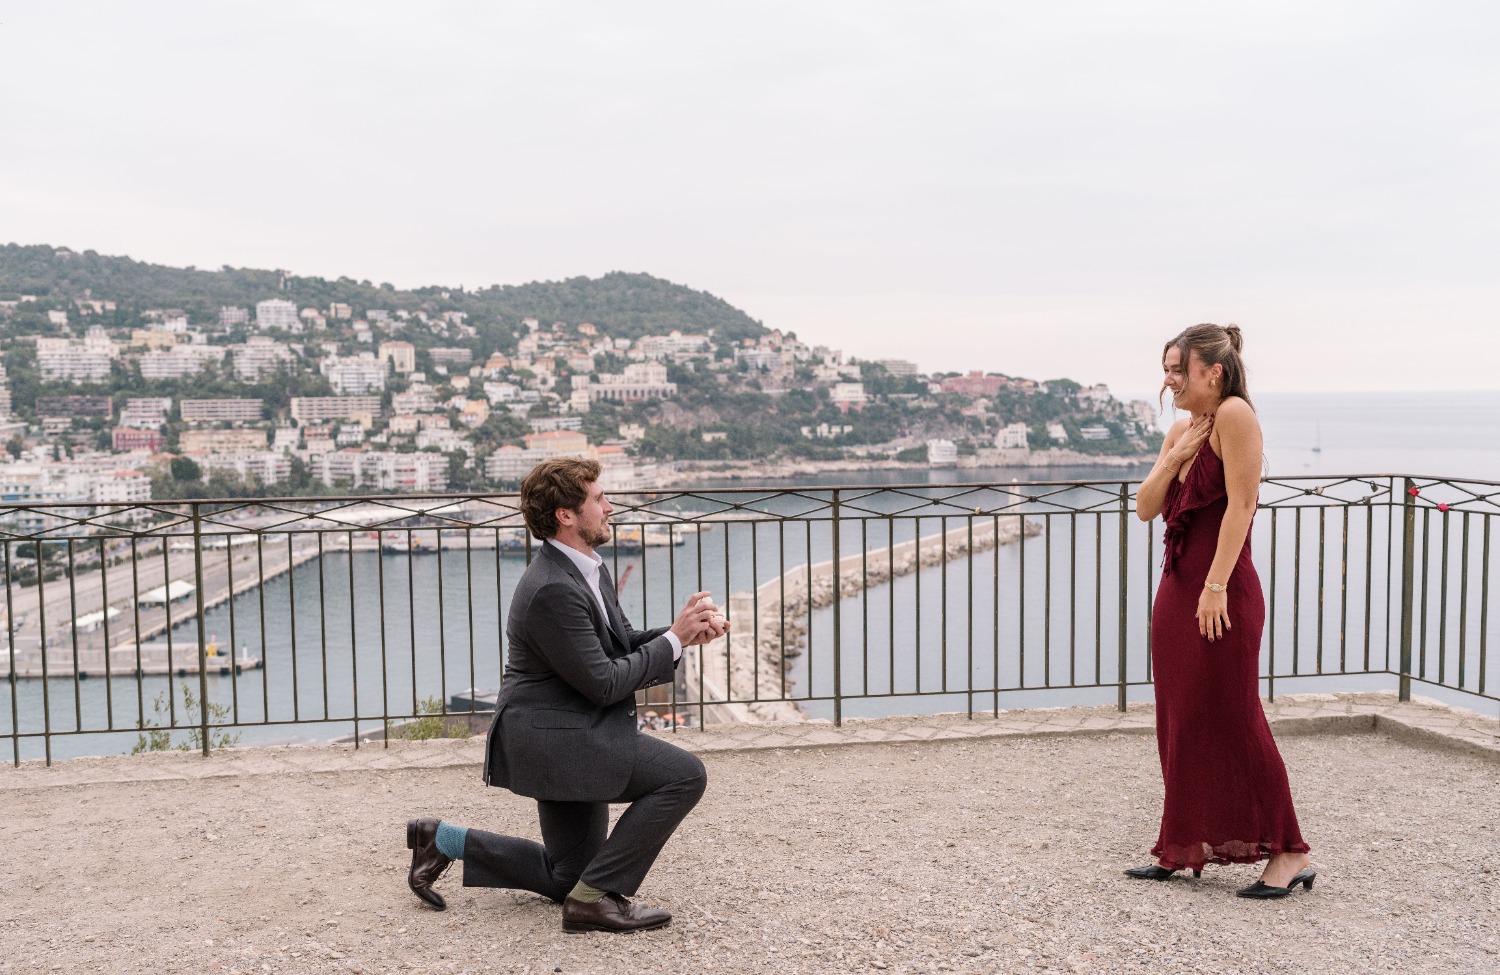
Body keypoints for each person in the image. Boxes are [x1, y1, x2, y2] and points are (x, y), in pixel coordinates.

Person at [404, 457, 729, 931]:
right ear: (566, 515)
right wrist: (673, 640)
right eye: (599, 499)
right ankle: (593, 903)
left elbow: (618, 643)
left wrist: (683, 634)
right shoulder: (552, 588)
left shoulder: (585, 569)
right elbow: (604, 683)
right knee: (684, 776)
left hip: (567, 729)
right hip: (557, 739)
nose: (610, 507)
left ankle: (443, 840)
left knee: (567, 877)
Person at [1128, 324, 1315, 900]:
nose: (1168, 380)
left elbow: (1242, 506)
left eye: (1178, 370)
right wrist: (1174, 456)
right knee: (1179, 716)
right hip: (1177, 589)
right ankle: (1181, 843)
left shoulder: (1236, 416)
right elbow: (1144, 508)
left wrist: (1215, 585)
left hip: (1220, 592)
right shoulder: (1182, 428)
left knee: (1234, 715)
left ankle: (1288, 852)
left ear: (1214, 371)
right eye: (1166, 369)